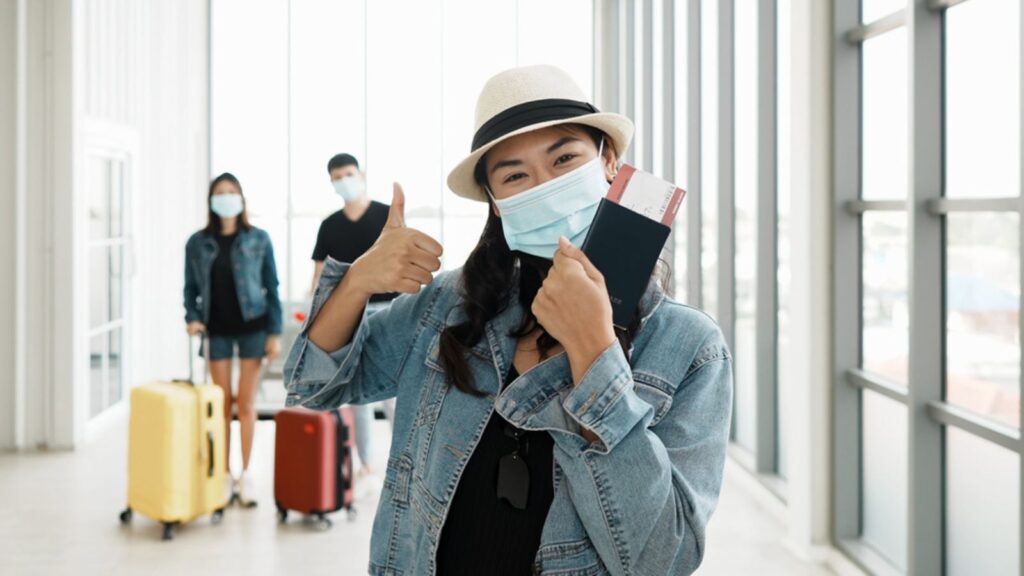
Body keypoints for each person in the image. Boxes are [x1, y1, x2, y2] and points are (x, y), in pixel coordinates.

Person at [285, 65, 732, 576]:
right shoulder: (448, 307)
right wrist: (358, 280)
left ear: (609, 162)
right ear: (496, 204)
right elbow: (310, 386)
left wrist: (594, 353)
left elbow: (663, 559)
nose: (545, 185)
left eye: (565, 158)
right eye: (515, 175)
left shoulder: (690, 347)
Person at [184, 172, 283, 507]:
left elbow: (272, 287)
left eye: (231, 192)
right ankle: (224, 473)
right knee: (222, 405)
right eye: (220, 193)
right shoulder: (197, 242)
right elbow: (190, 290)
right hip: (217, 331)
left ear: (241, 199)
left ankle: (247, 475)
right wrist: (192, 318)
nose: (226, 197)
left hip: (253, 328)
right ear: (211, 200)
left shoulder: (259, 239)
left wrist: (274, 332)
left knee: (247, 404)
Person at [311, 153, 396, 488]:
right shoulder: (330, 226)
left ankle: (405, 459)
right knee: (358, 392)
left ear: (361, 174)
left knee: (393, 394)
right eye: (337, 177)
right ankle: (365, 464)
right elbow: (318, 277)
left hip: (389, 311)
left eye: (348, 174)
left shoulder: (385, 215)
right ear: (331, 183)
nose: (344, 181)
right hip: (350, 315)